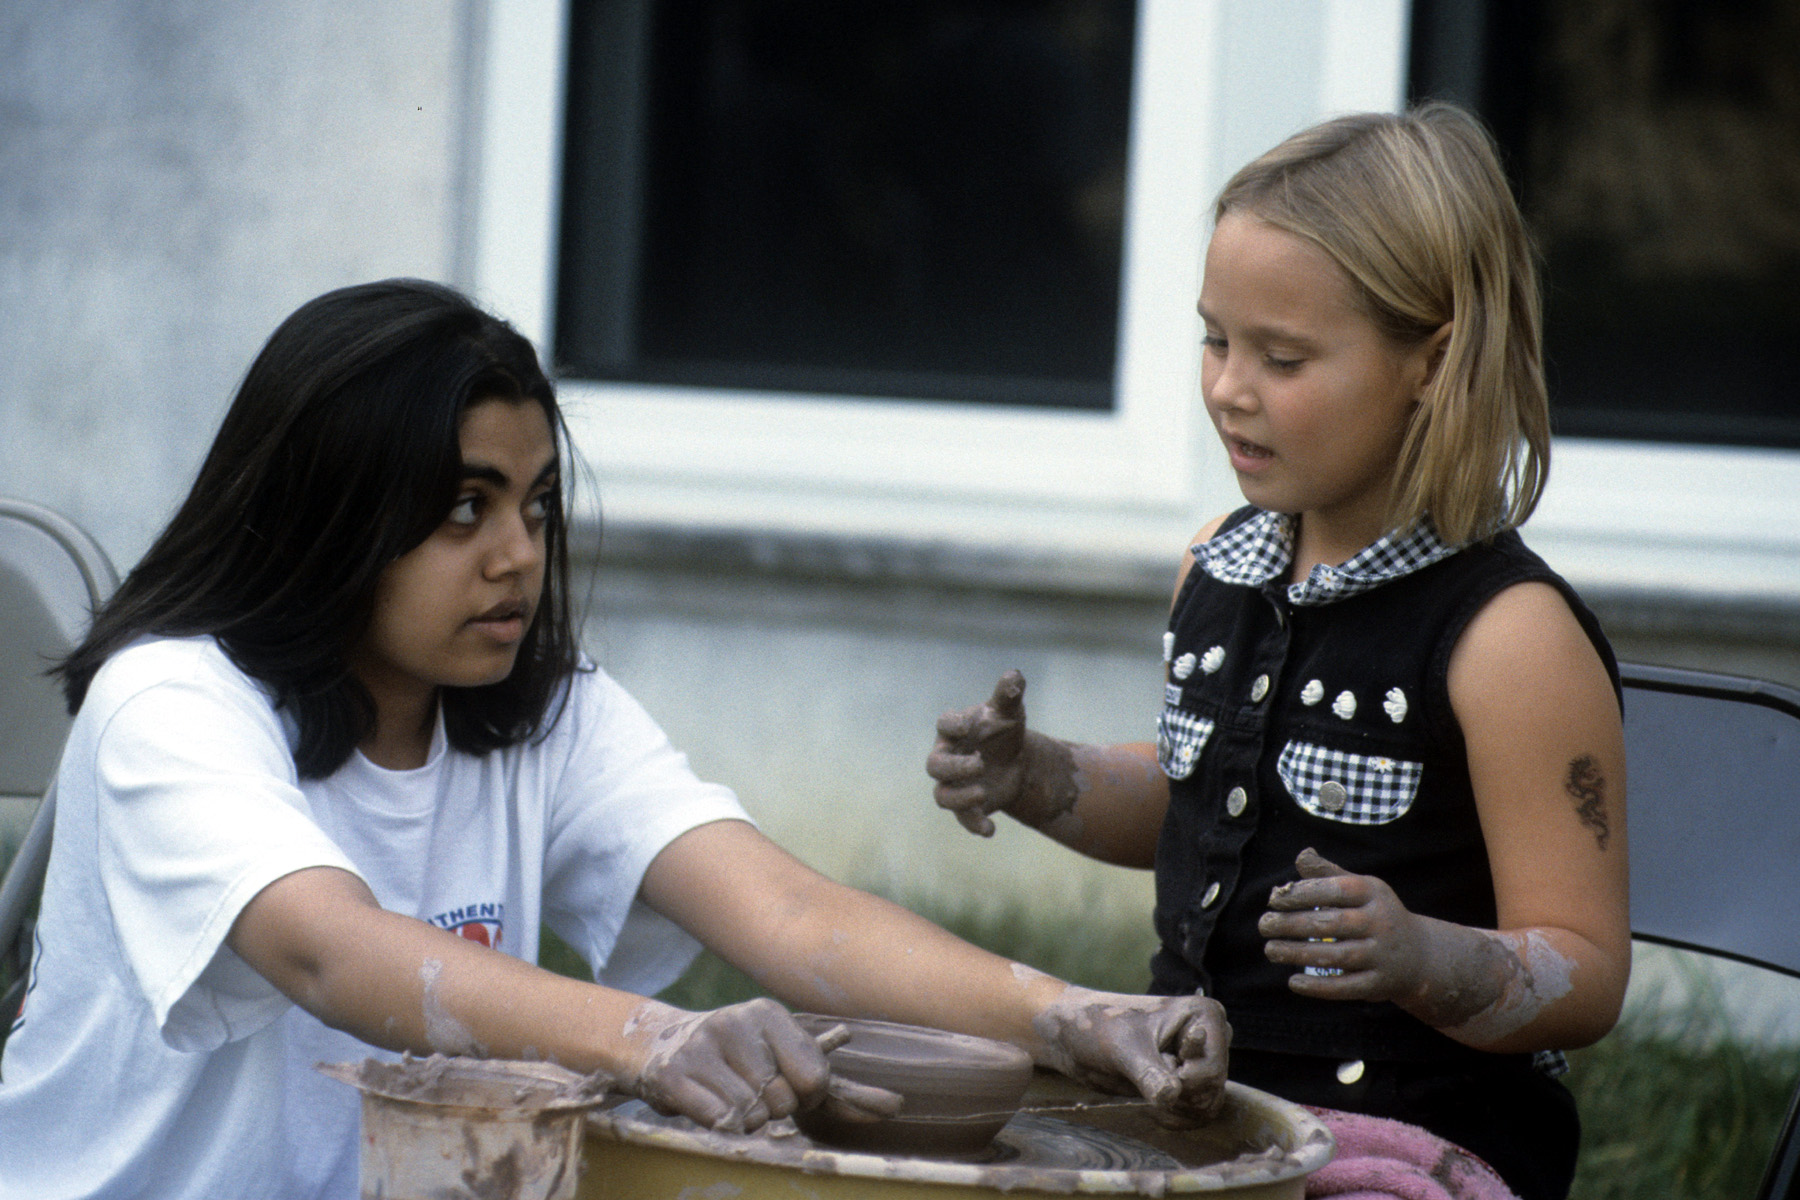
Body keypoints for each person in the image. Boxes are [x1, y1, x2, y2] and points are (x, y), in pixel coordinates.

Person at [0, 279, 1227, 1200]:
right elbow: (332, 953)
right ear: (328, 516)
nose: (519, 555)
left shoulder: (540, 706)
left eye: (536, 505)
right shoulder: (171, 704)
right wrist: (655, 1038)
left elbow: (793, 916)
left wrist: (1072, 1014)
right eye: (464, 508)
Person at [926, 105, 1628, 1200]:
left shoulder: (1509, 638)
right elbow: (1194, 803)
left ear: (1433, 362)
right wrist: (1040, 775)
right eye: (1215, 340)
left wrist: (1423, 957)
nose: (1228, 388)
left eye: (1282, 357)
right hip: (1204, 1119)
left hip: (1412, 1143)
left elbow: (1586, 970)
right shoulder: (1218, 566)